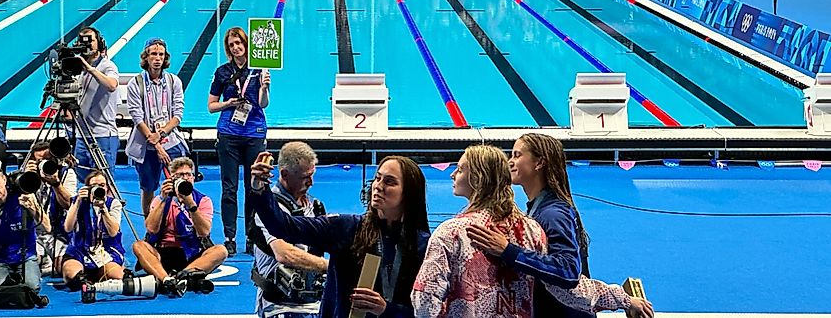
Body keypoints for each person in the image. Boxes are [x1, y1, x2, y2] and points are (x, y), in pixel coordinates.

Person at [466, 134, 654, 318]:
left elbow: (567, 271)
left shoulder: (553, 214)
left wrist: (508, 251)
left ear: (539, 163)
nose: (510, 162)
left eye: (517, 155)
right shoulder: (541, 208)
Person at [250, 154, 430, 318]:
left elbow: (428, 312)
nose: (378, 186)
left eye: (389, 182)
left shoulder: (423, 245)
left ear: (408, 193)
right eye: (377, 178)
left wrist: (386, 309)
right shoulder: (346, 228)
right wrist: (260, 189)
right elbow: (284, 226)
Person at [412, 145, 545, 317]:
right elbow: (558, 286)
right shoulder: (531, 230)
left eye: (460, 170)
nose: (452, 174)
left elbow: (424, 300)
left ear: (478, 178)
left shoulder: (451, 232)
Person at [208, 26, 271, 255]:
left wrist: (264, 87)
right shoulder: (222, 72)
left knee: (253, 187)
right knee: (229, 188)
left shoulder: (259, 70)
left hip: (254, 133)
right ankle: (230, 236)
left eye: (239, 43)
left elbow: (263, 104)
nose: (236, 47)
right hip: (228, 134)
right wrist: (228, 104)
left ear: (246, 44)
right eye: (232, 44)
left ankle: (251, 235)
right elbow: (211, 106)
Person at [251, 142, 328, 318]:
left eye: (312, 175)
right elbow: (285, 255)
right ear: (285, 174)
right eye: (305, 177)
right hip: (279, 305)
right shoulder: (269, 210)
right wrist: (329, 267)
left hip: (313, 301)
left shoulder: (314, 205)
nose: (311, 182)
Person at [132, 157, 228, 297]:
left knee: (221, 250)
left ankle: (179, 278)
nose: (185, 178)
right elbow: (151, 229)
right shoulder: (160, 199)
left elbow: (204, 232)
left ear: (194, 178)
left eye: (189, 175)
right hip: (162, 251)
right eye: (180, 175)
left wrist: (191, 205)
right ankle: (168, 279)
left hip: (190, 253)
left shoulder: (203, 200)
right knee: (139, 246)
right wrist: (164, 199)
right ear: (171, 179)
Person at [125, 38, 189, 216]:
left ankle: (179, 222)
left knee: (180, 183)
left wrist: (160, 134)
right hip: (146, 144)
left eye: (161, 54)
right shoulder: (135, 84)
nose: (157, 58)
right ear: (146, 57)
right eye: (153, 54)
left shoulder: (174, 81)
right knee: (148, 187)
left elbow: (177, 115)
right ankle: (149, 226)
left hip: (169, 139)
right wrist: (156, 144)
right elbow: (137, 117)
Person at [0, 166, 49, 291]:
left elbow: (47, 227)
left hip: (25, 256)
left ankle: (38, 264)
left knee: (32, 288)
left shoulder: (24, 197)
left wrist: (33, 208)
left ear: (4, 180)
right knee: (1, 289)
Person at [62, 170, 125, 291]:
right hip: (79, 250)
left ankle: (95, 278)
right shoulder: (77, 201)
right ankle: (86, 279)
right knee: (72, 275)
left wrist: (103, 209)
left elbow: (113, 232)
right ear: (87, 188)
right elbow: (68, 227)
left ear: (107, 187)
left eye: (102, 185)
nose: (98, 189)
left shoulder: (113, 203)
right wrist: (78, 202)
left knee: (120, 277)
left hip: (106, 251)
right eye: (93, 186)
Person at [74, 26, 120, 182]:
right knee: (84, 182)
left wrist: (90, 69)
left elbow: (112, 85)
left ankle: (110, 207)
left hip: (102, 135)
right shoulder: (76, 68)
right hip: (81, 135)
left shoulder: (107, 66)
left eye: (91, 41)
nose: (87, 45)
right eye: (83, 41)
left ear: (99, 43)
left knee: (103, 183)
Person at [27, 141, 78, 276]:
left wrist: (56, 184)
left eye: (48, 160)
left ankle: (49, 262)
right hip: (33, 232)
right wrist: (28, 178)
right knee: (31, 264)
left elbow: (68, 204)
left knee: (65, 268)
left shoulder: (67, 173)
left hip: (58, 232)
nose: (44, 164)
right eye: (40, 161)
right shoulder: (28, 176)